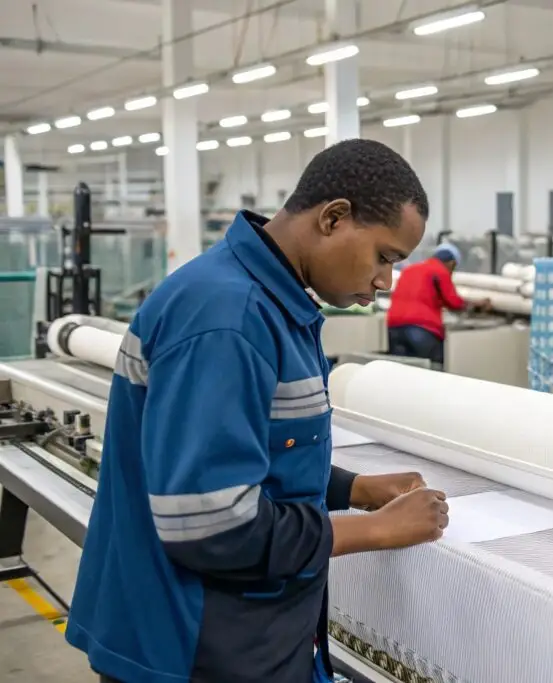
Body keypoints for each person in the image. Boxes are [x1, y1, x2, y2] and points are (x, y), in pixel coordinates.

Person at [65, 139, 450, 683]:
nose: (385, 282)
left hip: (244, 635)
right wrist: (374, 531)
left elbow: (259, 452)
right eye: (384, 257)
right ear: (333, 218)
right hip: (190, 646)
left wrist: (352, 488)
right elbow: (212, 524)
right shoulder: (227, 317)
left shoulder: (269, 301)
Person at [385, 242, 490, 365]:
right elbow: (454, 302)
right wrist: (477, 304)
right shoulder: (439, 271)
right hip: (421, 329)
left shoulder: (409, 270)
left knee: (402, 370)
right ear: (451, 263)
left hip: (394, 328)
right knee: (433, 370)